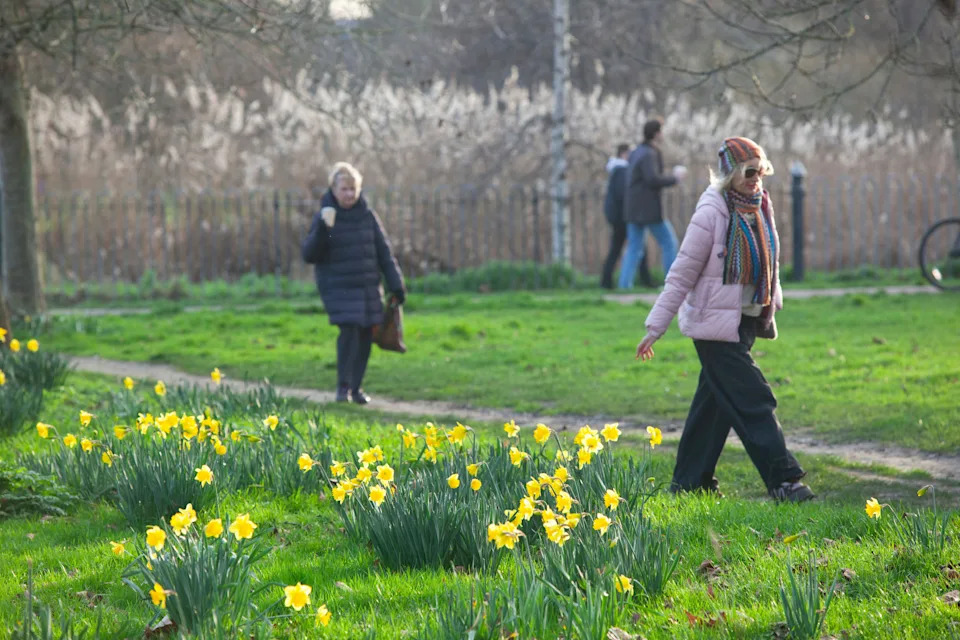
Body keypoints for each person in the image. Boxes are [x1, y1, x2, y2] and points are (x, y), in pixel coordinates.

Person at [635, 137, 814, 503]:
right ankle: (784, 479)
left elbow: (771, 257)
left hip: (746, 321)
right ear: (730, 174)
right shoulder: (711, 212)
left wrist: (771, 300)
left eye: (761, 171)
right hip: (713, 327)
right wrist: (656, 326)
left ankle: (689, 484)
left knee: (713, 407)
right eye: (749, 172)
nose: (756, 179)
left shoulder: (761, 204)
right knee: (753, 398)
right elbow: (681, 273)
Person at [301, 162, 406, 404]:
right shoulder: (327, 217)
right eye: (344, 189)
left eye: (353, 189)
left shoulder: (367, 216)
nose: (349, 194)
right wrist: (323, 228)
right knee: (349, 331)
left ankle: (356, 388)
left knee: (365, 335)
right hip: (339, 286)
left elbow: (384, 253)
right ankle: (343, 388)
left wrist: (396, 285)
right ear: (334, 189)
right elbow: (311, 254)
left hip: (367, 286)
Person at [619, 118, 687, 289]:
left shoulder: (636, 152)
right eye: (661, 131)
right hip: (647, 209)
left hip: (633, 208)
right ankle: (672, 284)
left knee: (634, 247)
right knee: (669, 242)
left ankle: (624, 285)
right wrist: (674, 178)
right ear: (656, 133)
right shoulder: (649, 153)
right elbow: (652, 179)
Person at [601, 143, 653, 289]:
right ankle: (644, 280)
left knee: (620, 248)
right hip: (623, 217)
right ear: (624, 154)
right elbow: (624, 195)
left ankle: (607, 281)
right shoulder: (622, 171)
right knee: (637, 247)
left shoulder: (617, 170)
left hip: (619, 216)